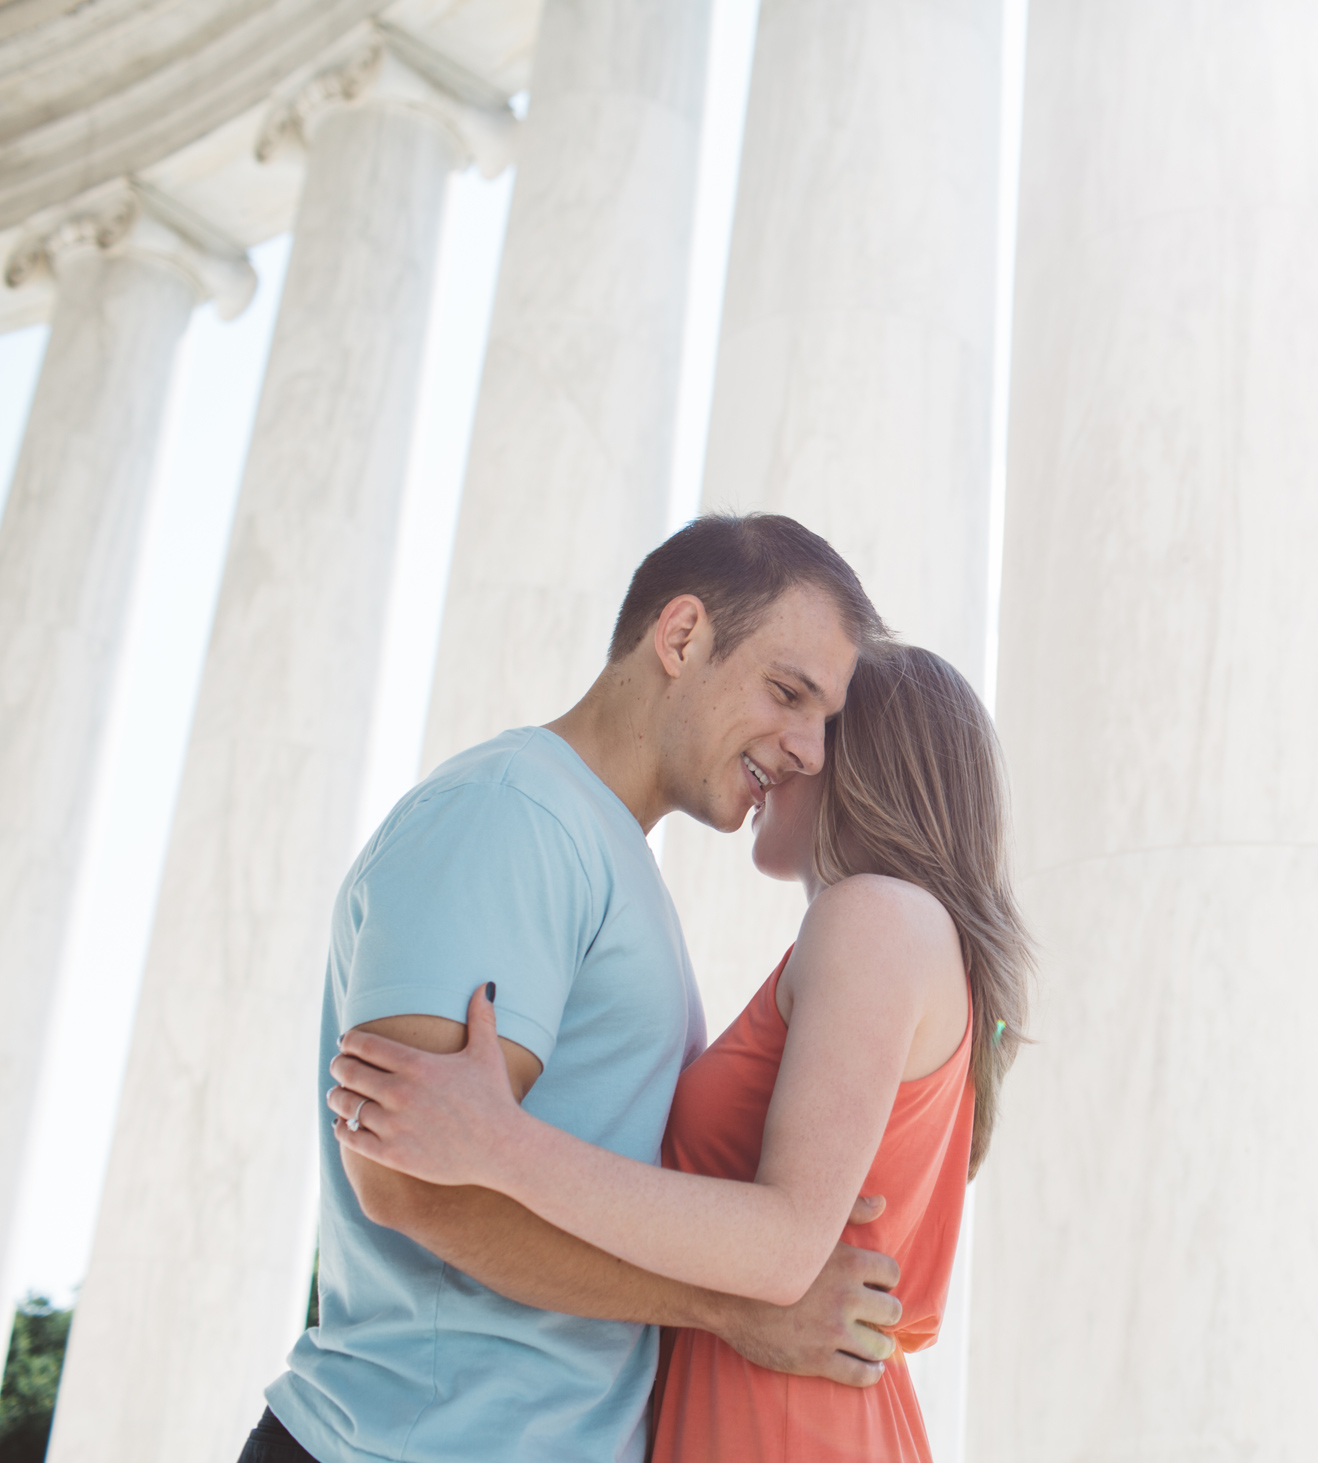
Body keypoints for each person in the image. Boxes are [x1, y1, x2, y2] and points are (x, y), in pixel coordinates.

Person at [243, 514, 902, 1463]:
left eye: (823, 720)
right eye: (787, 691)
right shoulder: (513, 814)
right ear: (681, 637)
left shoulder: (604, 851)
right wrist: (732, 1310)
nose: (808, 748)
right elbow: (410, 1183)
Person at [326, 645, 1031, 1462]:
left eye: (809, 723)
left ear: (866, 758)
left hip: (789, 1425)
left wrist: (496, 1140)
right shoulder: (897, 936)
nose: (781, 751)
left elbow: (788, 1243)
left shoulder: (874, 916)